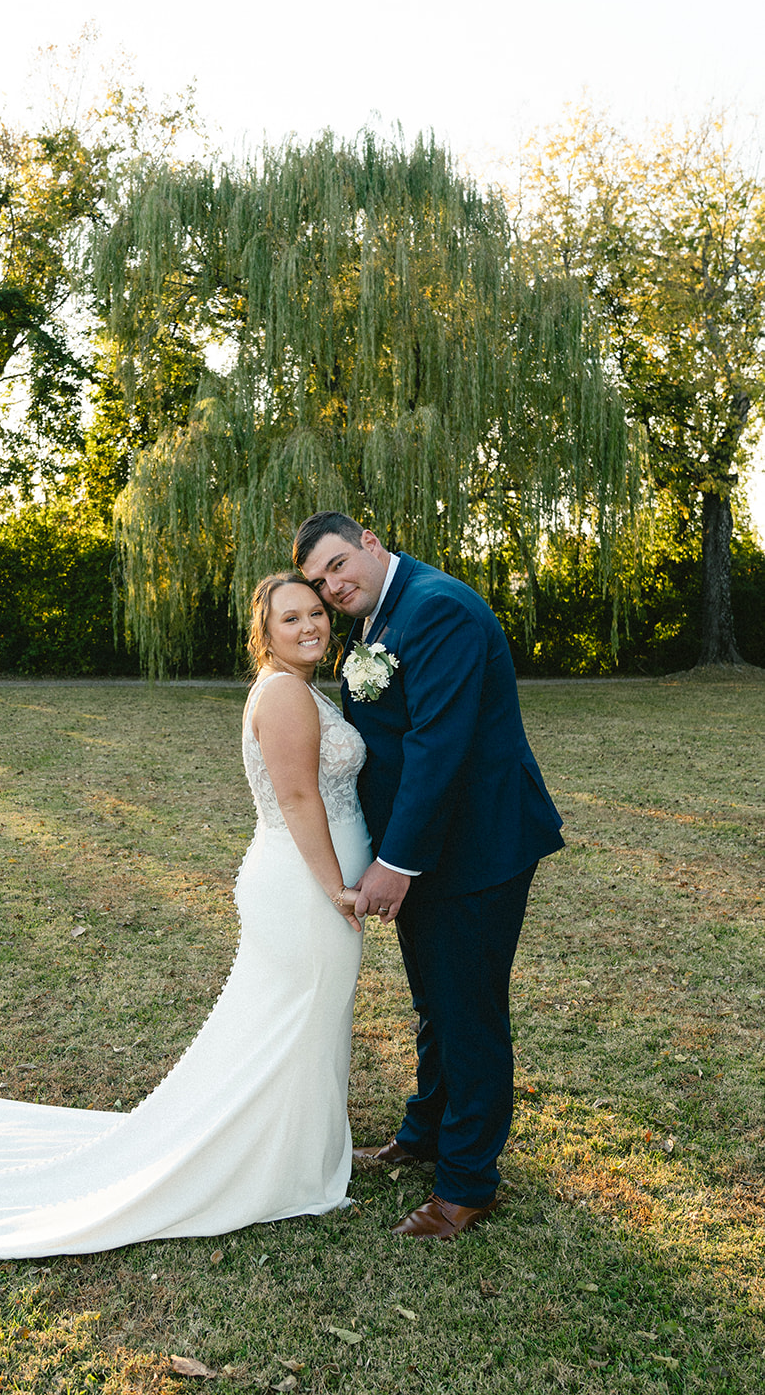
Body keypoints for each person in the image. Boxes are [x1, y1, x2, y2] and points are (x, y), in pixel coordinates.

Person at [0, 574, 371, 1265]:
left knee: (292, 1023)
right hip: (305, 886)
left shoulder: (297, 687)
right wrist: (337, 889)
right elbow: (298, 798)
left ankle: (287, 1149)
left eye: (315, 614)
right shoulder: (286, 692)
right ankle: (273, 1164)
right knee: (297, 1018)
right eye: (289, 618)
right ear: (263, 634)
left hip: (301, 880)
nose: (308, 626)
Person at [294, 512, 564, 1240]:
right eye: (319, 581)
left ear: (371, 543)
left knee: (468, 1010)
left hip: (478, 845)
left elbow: (437, 746)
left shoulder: (436, 608)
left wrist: (394, 862)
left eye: (338, 565)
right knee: (434, 1000)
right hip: (431, 845)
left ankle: (467, 1185)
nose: (332, 586)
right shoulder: (380, 612)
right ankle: (425, 1132)